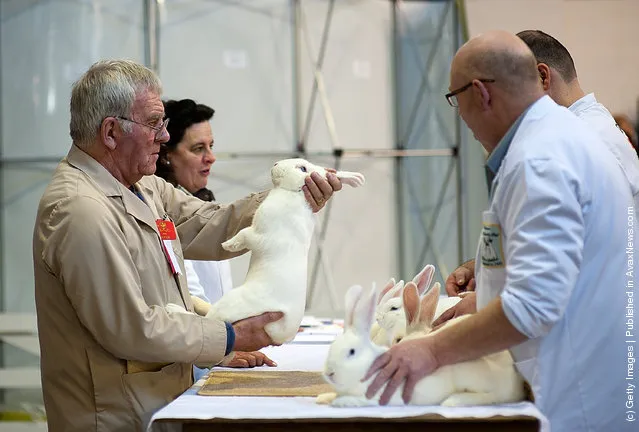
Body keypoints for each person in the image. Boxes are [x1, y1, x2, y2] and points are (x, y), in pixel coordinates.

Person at [32, 60, 342, 432]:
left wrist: (290, 200)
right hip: (114, 418)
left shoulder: (144, 186)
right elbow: (133, 328)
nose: (164, 137)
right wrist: (229, 336)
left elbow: (213, 225)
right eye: (153, 123)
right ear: (111, 132)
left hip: (153, 404)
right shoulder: (80, 209)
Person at [364, 31, 631, 431]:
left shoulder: (540, 160)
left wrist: (432, 351)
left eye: (455, 98)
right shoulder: (553, 140)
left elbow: (532, 305)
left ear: (479, 93)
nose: (460, 115)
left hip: (578, 400)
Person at [442, 30, 639, 317]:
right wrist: (485, 269)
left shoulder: (565, 146)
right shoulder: (572, 135)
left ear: (541, 78)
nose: (463, 115)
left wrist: (437, 347)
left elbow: (554, 282)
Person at [156, 98, 274, 369]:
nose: (211, 157)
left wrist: (252, 326)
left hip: (216, 344)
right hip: (200, 354)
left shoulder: (200, 201)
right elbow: (187, 294)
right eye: (198, 148)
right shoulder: (164, 213)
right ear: (166, 154)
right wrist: (228, 344)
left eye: (211, 146)